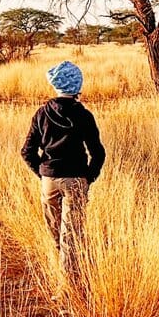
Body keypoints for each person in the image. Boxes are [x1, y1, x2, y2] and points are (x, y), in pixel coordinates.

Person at [21, 60, 106, 278]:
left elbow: (27, 151)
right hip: (75, 179)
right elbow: (98, 152)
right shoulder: (84, 116)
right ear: (78, 86)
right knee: (72, 233)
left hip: (49, 180)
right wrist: (88, 177)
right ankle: (69, 284)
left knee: (55, 231)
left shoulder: (41, 113)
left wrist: (42, 173)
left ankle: (61, 273)